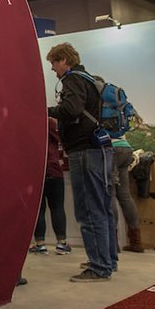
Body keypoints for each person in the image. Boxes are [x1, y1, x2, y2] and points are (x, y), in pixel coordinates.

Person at [46, 43, 115, 282]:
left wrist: (47, 110)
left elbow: (72, 110)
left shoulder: (72, 79)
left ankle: (98, 266)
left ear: (63, 60)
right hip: (100, 149)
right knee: (104, 207)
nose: (53, 70)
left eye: (53, 64)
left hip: (84, 150)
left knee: (88, 209)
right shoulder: (91, 79)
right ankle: (108, 259)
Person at [30, 117, 71, 256]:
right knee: (58, 208)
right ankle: (61, 243)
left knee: (38, 210)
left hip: (36, 171)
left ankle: (40, 245)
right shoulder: (52, 123)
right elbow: (63, 141)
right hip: (54, 170)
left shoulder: (30, 122)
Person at [111, 132, 143, 253]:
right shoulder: (118, 111)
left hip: (111, 148)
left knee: (110, 195)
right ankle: (136, 242)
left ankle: (113, 243)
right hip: (126, 148)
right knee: (125, 195)